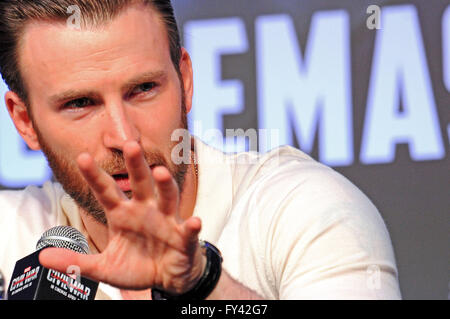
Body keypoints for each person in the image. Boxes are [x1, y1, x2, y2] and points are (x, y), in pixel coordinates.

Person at [0, 0, 401, 300]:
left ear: (185, 81)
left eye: (143, 89)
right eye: (80, 104)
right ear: (24, 121)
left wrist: (203, 283)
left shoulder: (304, 208)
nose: (124, 138)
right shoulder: (11, 232)